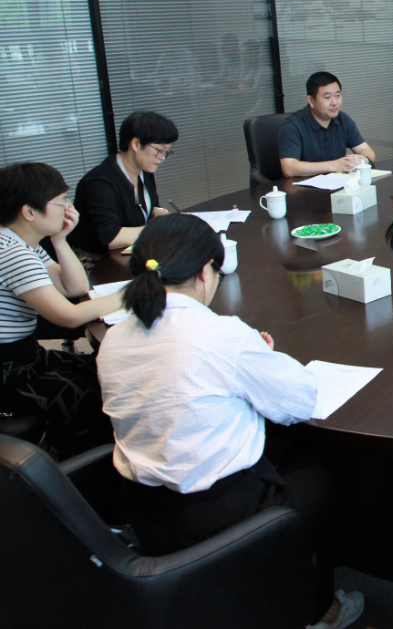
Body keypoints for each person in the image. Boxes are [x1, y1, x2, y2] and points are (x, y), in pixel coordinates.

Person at [96, 215, 363, 629]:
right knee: (327, 465)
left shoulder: (115, 337)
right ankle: (318, 608)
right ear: (206, 271)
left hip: (143, 512)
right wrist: (261, 358)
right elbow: (298, 402)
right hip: (222, 516)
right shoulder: (220, 334)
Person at [1, 162, 121, 454]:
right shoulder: (14, 254)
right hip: (10, 376)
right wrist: (133, 293)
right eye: (61, 202)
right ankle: (91, 466)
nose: (69, 209)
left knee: (103, 369)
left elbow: (74, 287)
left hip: (24, 359)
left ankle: (69, 447)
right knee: (104, 396)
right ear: (30, 212)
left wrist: (60, 239)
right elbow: (69, 317)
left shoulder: (20, 241)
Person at [69, 111, 177, 261]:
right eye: (160, 151)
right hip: (97, 261)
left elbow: (144, 208)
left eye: (166, 152)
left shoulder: (145, 170)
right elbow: (110, 237)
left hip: (133, 252)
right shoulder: (99, 182)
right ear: (136, 144)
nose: (162, 158)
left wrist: (158, 212)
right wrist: (158, 229)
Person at [279, 71, 377, 178]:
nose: (334, 102)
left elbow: (366, 150)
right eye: (327, 97)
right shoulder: (293, 126)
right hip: (302, 186)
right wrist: (334, 165)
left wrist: (363, 161)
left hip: (338, 183)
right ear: (311, 101)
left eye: (337, 96)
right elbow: (289, 168)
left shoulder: (343, 120)